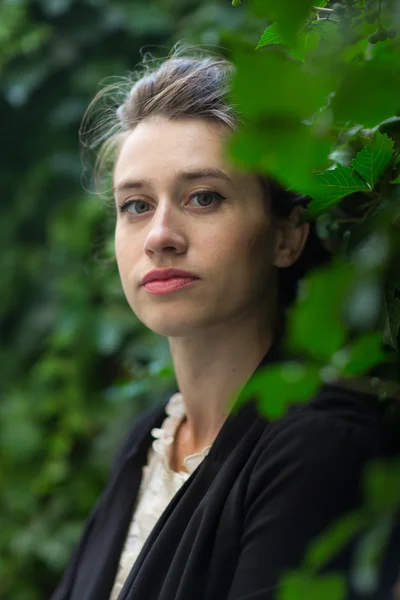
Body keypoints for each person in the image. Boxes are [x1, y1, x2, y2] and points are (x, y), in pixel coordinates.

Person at [50, 44, 399, 600]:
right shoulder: (148, 441)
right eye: (136, 205)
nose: (161, 235)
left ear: (288, 235)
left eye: (203, 197)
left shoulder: (321, 450)